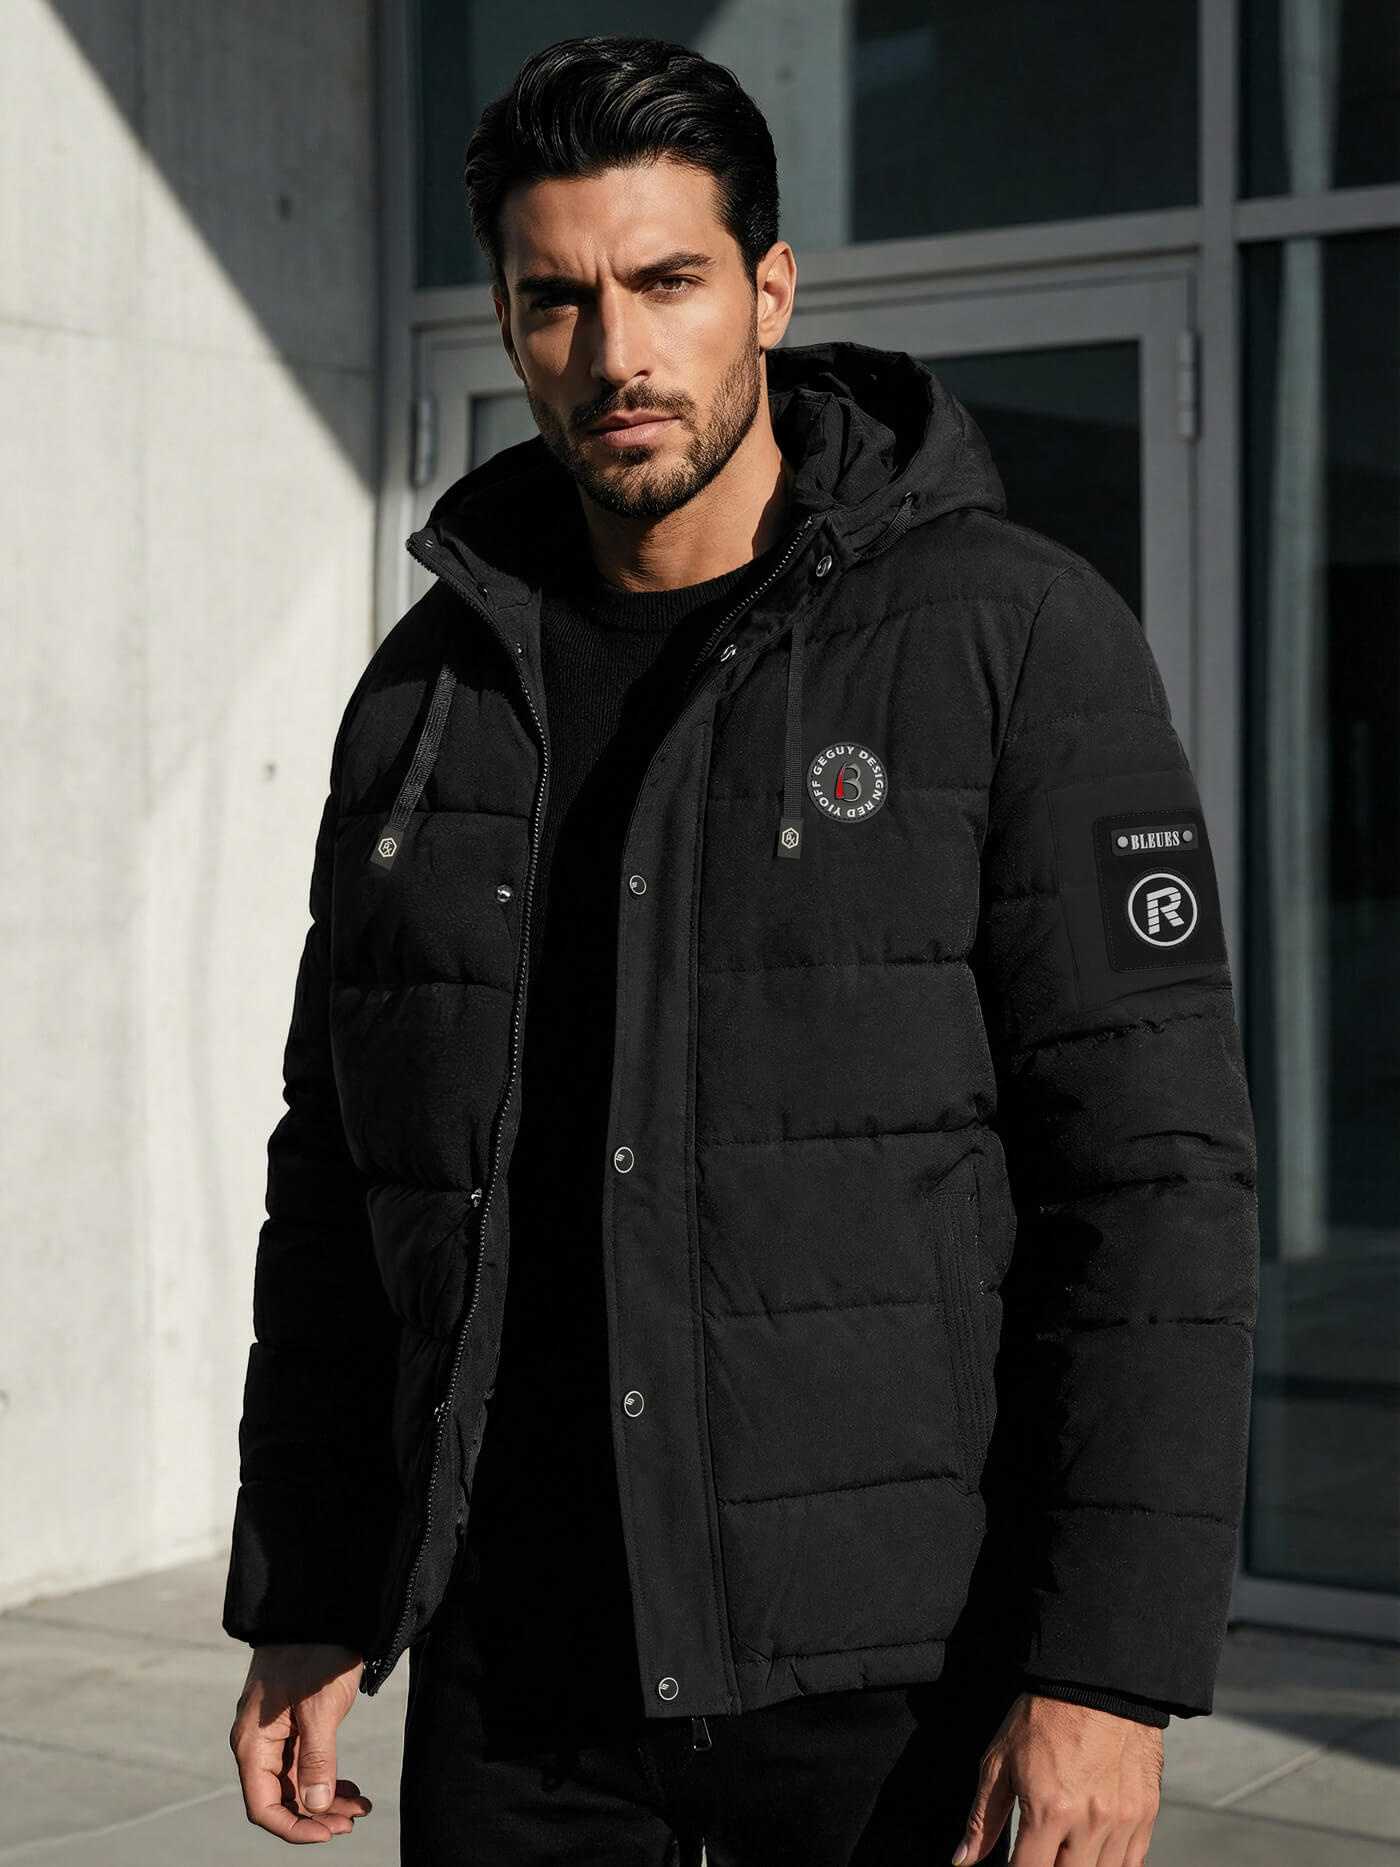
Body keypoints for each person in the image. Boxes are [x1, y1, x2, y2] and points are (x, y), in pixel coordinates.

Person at [224, 34, 1260, 1867]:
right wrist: (310, 1584)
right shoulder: (430, 695)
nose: (615, 352)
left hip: (891, 1689)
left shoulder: (1011, 638)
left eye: (667, 282)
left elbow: (1154, 1184)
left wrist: (1106, 1666)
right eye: (558, 299)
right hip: (518, 1685)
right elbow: (339, 1175)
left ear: (769, 290)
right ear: (507, 321)